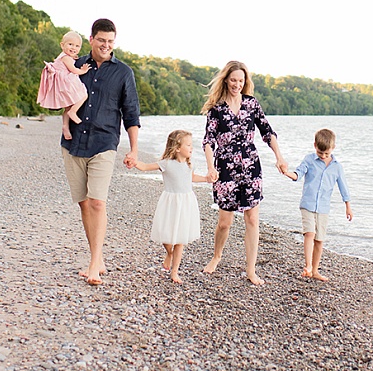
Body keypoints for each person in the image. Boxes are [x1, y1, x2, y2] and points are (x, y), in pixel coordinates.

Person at [62, 18, 140, 286]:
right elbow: (58, 93)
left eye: (111, 41)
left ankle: (94, 263)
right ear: (92, 39)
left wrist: (134, 149)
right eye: (101, 40)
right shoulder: (75, 66)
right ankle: (97, 256)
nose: (106, 45)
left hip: (105, 142)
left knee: (97, 202)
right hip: (73, 142)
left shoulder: (123, 73)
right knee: (84, 202)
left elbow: (131, 113)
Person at [201, 61, 288, 285]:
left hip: (251, 166)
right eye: (233, 80)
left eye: (241, 81)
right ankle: (217, 256)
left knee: (252, 219)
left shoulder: (251, 104)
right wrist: (210, 167)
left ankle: (250, 270)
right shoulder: (216, 108)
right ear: (226, 80)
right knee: (225, 222)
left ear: (245, 82)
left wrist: (279, 157)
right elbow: (208, 141)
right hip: (225, 168)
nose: (237, 84)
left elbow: (267, 131)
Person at [130, 129, 210, 284]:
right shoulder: (166, 164)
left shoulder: (189, 165)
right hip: (170, 203)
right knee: (165, 234)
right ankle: (170, 253)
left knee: (180, 238)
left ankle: (175, 271)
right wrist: (134, 162)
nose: (191, 148)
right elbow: (146, 167)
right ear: (177, 148)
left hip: (186, 203)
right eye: (188, 145)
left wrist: (207, 179)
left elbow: (192, 178)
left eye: (191, 145)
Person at [282, 128, 352, 281]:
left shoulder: (337, 167)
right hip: (307, 204)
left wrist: (348, 206)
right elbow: (298, 174)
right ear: (315, 146)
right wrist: (288, 173)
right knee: (309, 233)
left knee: (319, 240)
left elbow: (343, 187)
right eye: (320, 153)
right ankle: (307, 266)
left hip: (323, 208)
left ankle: (314, 270)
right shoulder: (309, 160)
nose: (323, 156)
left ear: (333, 148)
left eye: (326, 153)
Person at [37, 30, 91, 140]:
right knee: (84, 94)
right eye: (70, 44)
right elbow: (73, 70)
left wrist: (73, 57)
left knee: (67, 106)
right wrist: (83, 71)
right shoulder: (66, 58)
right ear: (62, 45)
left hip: (60, 84)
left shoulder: (65, 56)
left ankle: (65, 127)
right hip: (66, 81)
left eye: (77, 46)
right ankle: (74, 112)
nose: (73, 48)